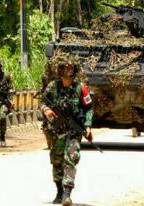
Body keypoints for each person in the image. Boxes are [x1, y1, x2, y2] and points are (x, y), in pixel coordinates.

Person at [41, 59, 94, 205]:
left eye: (71, 68)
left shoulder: (81, 88)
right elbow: (42, 102)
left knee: (71, 158)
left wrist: (88, 126)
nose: (69, 71)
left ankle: (67, 193)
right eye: (66, 68)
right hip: (56, 130)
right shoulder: (53, 87)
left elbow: (89, 108)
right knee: (56, 160)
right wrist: (46, 110)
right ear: (60, 71)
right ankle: (59, 191)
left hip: (73, 131)